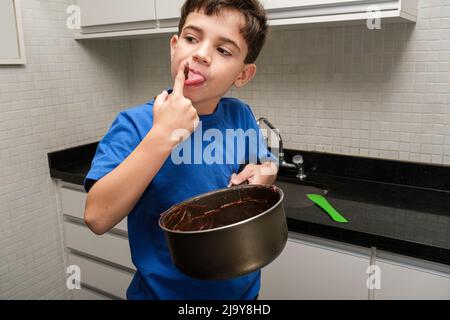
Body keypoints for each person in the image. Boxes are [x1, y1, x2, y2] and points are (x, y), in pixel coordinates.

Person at [83, 0, 278, 300]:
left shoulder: (241, 115)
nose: (200, 54)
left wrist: (266, 173)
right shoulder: (135, 124)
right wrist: (162, 135)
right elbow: (97, 217)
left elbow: (264, 163)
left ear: (243, 75)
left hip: (242, 295)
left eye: (223, 50)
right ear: (174, 46)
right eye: (192, 38)